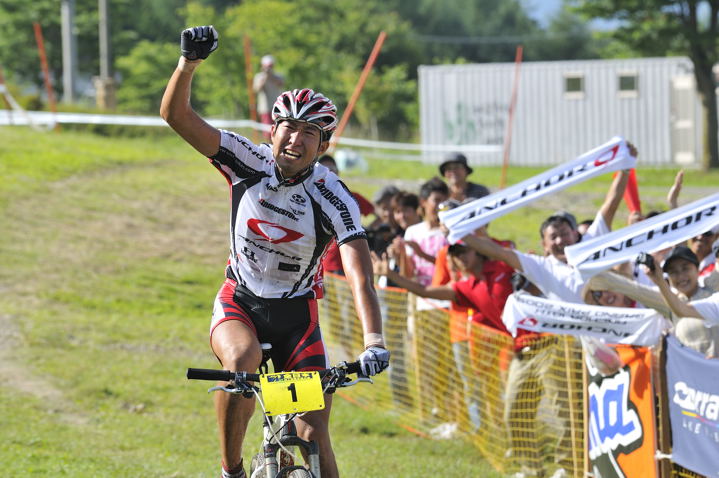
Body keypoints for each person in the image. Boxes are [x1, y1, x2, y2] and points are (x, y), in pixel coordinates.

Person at [160, 26, 389, 478]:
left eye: (310, 132)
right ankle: (232, 470)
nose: (296, 139)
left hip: (296, 318)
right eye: (289, 127)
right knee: (241, 366)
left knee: (311, 434)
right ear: (273, 129)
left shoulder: (334, 196)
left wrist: (374, 342)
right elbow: (176, 116)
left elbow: (359, 272)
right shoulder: (248, 159)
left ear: (324, 145)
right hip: (240, 302)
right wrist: (188, 64)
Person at [253, 54, 285, 138]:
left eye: (270, 66)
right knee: (267, 132)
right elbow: (257, 89)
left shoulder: (278, 76)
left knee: (279, 131)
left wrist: (271, 75)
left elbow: (281, 84)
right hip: (265, 109)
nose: (269, 68)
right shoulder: (259, 77)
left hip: (278, 108)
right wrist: (265, 77)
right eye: (267, 66)